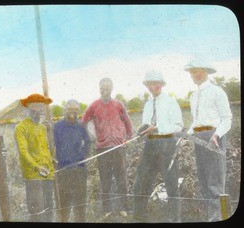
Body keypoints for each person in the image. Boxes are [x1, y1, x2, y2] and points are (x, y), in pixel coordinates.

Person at [184, 59, 232, 222]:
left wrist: (216, 135)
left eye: (195, 71)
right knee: (204, 179)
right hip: (198, 138)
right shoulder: (193, 96)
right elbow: (196, 121)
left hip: (213, 138)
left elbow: (227, 118)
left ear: (204, 72)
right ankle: (210, 217)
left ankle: (220, 217)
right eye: (191, 72)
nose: (192, 75)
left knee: (215, 181)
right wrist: (187, 134)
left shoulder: (217, 92)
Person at [133, 71, 183, 222]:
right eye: (148, 84)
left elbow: (179, 126)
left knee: (171, 184)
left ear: (161, 84)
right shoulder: (148, 104)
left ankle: (174, 219)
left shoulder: (170, 102)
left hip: (166, 145)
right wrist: (141, 130)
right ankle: (139, 218)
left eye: (153, 83)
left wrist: (157, 128)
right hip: (150, 146)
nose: (150, 87)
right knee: (140, 182)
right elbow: (146, 125)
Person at [81, 77, 133, 220]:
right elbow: (83, 122)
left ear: (111, 89)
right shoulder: (93, 106)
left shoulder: (118, 104)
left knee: (121, 179)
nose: (105, 90)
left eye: (107, 88)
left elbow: (128, 122)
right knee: (105, 181)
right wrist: (90, 138)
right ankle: (106, 211)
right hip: (102, 149)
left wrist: (128, 138)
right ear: (99, 89)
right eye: (102, 88)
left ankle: (125, 208)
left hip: (118, 148)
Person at [15, 93, 55, 222]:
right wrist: (37, 167)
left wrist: (51, 160)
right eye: (35, 107)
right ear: (28, 108)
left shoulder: (43, 127)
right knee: (37, 210)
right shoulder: (21, 128)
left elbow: (46, 149)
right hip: (33, 176)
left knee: (49, 208)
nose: (39, 110)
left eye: (41, 107)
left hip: (47, 174)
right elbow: (23, 152)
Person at [53, 99, 90, 222]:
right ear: (65, 111)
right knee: (63, 204)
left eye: (75, 111)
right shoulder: (57, 126)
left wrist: (83, 154)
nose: (73, 113)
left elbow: (88, 142)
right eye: (70, 110)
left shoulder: (81, 126)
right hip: (63, 170)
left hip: (79, 169)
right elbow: (52, 145)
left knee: (80, 203)